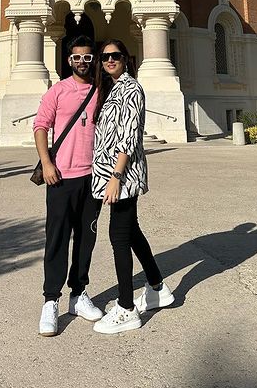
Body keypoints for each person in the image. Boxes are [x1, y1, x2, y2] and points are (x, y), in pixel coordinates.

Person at [91, 39, 174, 335]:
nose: (110, 60)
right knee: (132, 232)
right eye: (105, 57)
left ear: (126, 59)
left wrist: (115, 175)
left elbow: (129, 134)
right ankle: (157, 288)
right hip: (110, 172)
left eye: (115, 56)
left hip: (121, 175)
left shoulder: (131, 88)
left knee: (119, 236)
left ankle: (126, 308)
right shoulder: (110, 88)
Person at [33, 35, 103, 337]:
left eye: (88, 58)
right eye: (77, 58)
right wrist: (47, 164)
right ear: (69, 60)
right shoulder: (58, 90)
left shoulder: (102, 90)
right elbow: (40, 126)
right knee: (57, 239)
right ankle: (51, 300)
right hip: (61, 176)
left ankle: (78, 294)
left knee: (86, 239)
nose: (82, 63)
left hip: (93, 177)